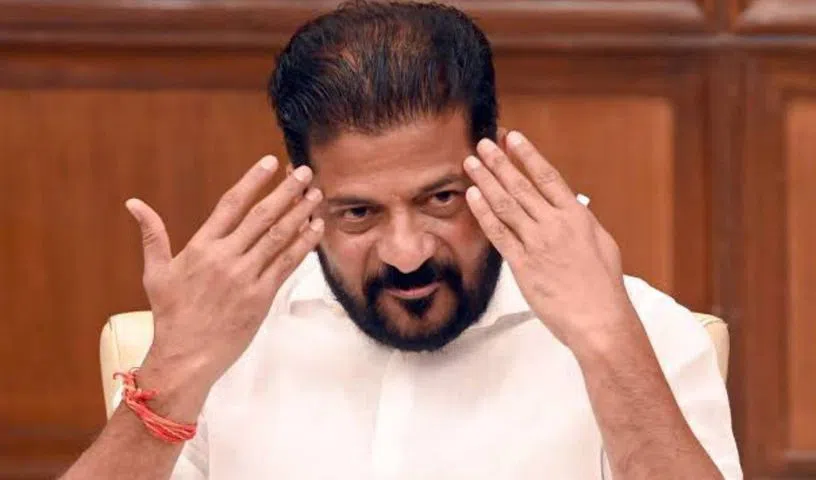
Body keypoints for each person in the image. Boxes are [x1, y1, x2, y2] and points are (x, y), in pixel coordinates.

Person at [62, 1, 742, 478]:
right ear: (307, 194)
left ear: (495, 164)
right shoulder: (230, 337)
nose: (407, 253)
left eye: (440, 199)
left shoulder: (638, 328)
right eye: (359, 213)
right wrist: (173, 376)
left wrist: (610, 347)